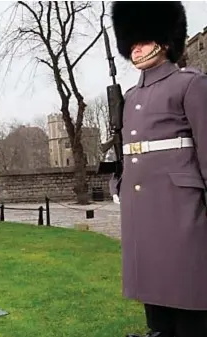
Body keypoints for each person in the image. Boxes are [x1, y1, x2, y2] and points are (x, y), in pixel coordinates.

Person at [109, 2, 207, 336]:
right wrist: (119, 183)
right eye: (131, 41)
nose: (135, 47)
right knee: (154, 291)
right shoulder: (133, 96)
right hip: (142, 210)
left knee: (189, 290)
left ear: (164, 41)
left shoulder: (190, 84)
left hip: (179, 205)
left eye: (143, 39)